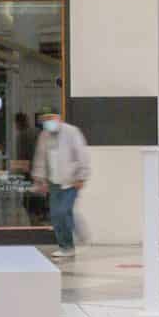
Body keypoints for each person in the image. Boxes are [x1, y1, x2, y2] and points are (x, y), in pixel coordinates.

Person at [31, 109, 91, 260]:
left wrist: (82, 176)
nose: (48, 121)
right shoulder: (44, 136)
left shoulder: (71, 132)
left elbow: (82, 154)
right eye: (45, 119)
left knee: (63, 211)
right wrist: (40, 179)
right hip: (53, 182)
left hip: (71, 181)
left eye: (50, 118)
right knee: (56, 215)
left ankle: (71, 243)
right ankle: (66, 246)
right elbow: (40, 158)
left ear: (58, 118)